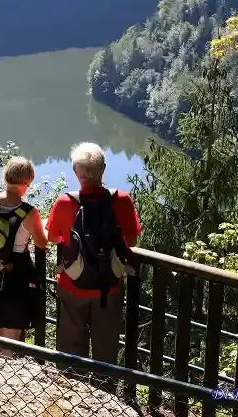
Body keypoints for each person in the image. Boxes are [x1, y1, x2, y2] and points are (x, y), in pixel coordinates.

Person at [45, 142, 140, 365]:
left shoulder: (65, 202)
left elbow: (52, 238)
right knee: (105, 347)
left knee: (70, 346)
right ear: (103, 169)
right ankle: (104, 392)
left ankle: (70, 388)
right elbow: (132, 240)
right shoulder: (122, 200)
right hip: (109, 286)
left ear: (75, 172)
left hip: (72, 285)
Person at [0, 157, 47, 355]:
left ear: (5, 177)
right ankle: (5, 372)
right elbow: (42, 242)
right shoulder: (28, 212)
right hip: (15, 279)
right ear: (28, 181)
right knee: (11, 335)